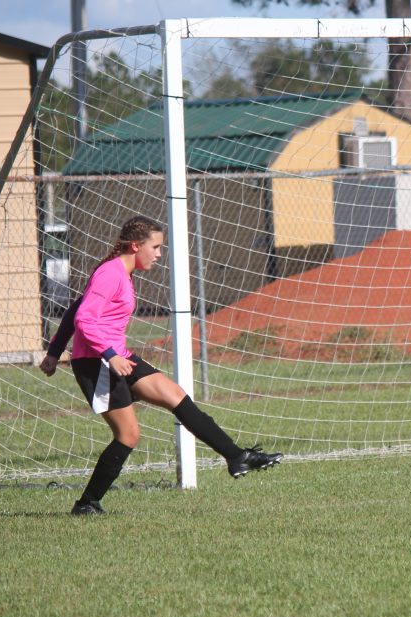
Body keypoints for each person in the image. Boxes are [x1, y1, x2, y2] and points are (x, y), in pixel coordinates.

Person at [40, 215, 282, 515]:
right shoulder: (110, 274)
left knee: (174, 395)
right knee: (129, 436)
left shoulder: (120, 272)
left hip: (117, 356)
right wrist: (107, 354)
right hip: (97, 363)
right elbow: (83, 319)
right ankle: (87, 503)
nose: (158, 254)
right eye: (154, 247)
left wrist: (54, 351)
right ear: (134, 245)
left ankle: (237, 456)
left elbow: (76, 309)